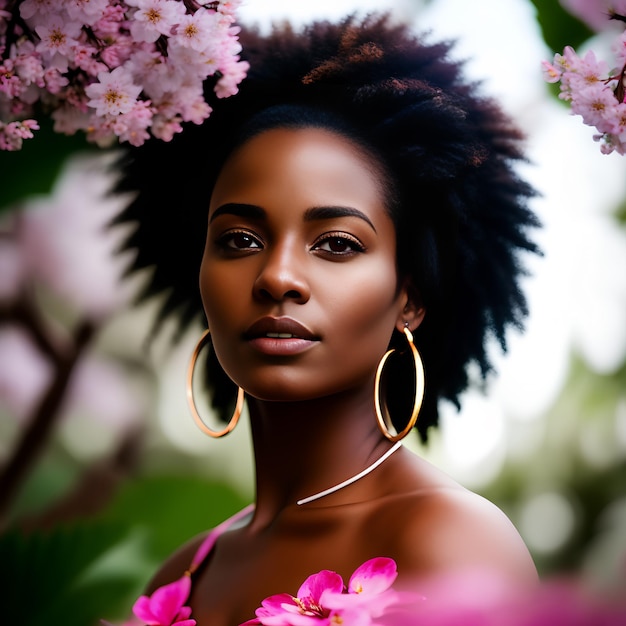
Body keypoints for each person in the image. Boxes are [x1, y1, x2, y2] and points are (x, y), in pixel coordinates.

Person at [110, 11, 541, 626]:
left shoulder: (449, 543)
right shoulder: (181, 573)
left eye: (336, 243)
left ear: (408, 298)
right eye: (237, 239)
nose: (277, 276)